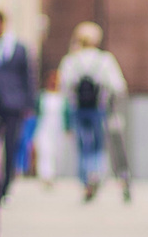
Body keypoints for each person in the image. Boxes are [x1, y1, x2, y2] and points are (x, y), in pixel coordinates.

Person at [55, 23, 129, 203]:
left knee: (82, 146)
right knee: (97, 145)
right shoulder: (104, 60)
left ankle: (86, 179)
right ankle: (96, 173)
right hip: (98, 108)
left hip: (78, 109)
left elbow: (63, 85)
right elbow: (118, 86)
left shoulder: (72, 60)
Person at [0, 10, 39, 198]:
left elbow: (28, 77)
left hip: (14, 105)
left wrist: (30, 104)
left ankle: (5, 186)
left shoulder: (18, 48)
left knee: (11, 146)